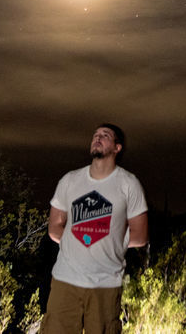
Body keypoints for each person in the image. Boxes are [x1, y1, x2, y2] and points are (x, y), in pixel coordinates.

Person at [42, 123, 149, 334]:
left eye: (105, 135)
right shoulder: (70, 181)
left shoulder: (129, 184)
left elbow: (141, 234)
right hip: (66, 280)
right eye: (95, 135)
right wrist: (78, 240)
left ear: (117, 148)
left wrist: (109, 240)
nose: (97, 138)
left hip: (106, 283)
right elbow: (54, 227)